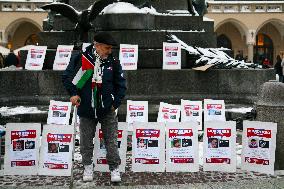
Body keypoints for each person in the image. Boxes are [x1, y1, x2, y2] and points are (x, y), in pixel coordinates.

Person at [62, 32, 126, 182]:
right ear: (96, 46)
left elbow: (121, 85)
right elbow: (67, 77)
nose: (110, 51)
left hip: (107, 109)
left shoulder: (113, 62)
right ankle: (87, 166)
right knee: (85, 141)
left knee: (111, 140)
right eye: (107, 48)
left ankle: (114, 168)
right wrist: (73, 94)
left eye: (111, 48)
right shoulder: (81, 59)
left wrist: (115, 103)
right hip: (86, 108)